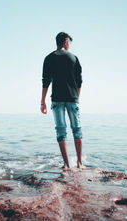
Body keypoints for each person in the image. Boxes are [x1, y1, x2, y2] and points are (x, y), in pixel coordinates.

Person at [40, 32, 83, 169]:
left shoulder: (49, 58)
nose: (69, 45)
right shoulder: (74, 58)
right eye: (69, 42)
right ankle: (80, 163)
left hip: (57, 99)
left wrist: (42, 102)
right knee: (77, 130)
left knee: (61, 131)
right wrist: (77, 97)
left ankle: (66, 165)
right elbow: (79, 81)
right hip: (72, 99)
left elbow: (45, 82)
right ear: (65, 42)